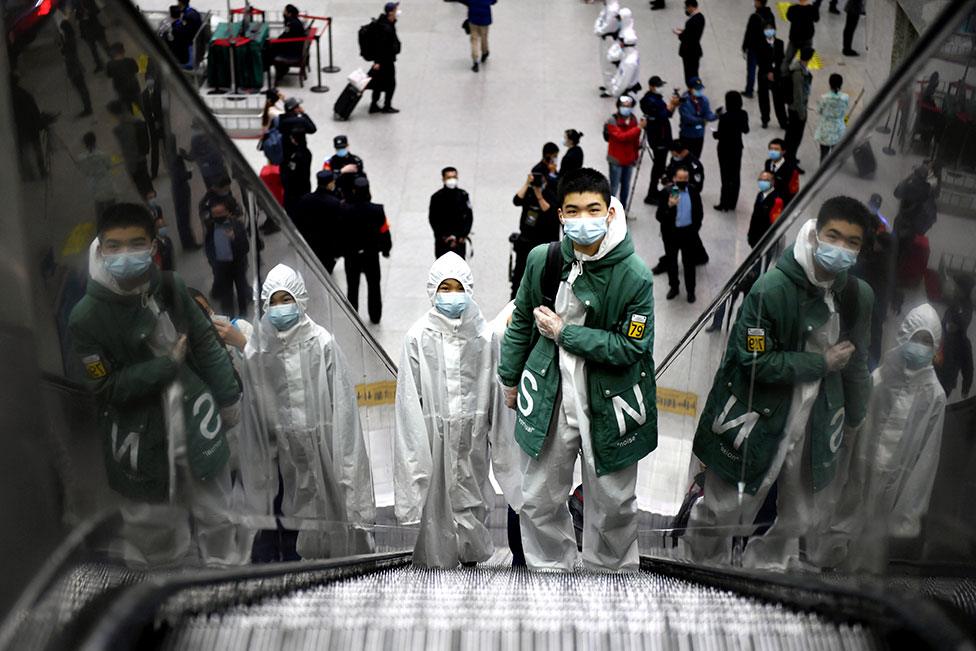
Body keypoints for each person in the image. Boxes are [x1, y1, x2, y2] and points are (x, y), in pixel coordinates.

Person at [687, 196, 874, 569]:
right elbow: (754, 360)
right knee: (726, 508)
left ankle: (763, 568)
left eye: (852, 242)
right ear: (817, 233)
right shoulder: (771, 289)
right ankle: (700, 568)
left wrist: (856, 419)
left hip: (818, 416)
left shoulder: (856, 296)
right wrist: (820, 362)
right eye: (833, 236)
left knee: (802, 515)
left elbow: (857, 363)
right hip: (758, 411)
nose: (841, 248)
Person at [498, 168, 657, 572]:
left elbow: (632, 346)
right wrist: (509, 378)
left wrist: (566, 334)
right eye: (573, 210)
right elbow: (520, 320)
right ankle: (549, 570)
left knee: (613, 500)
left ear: (609, 212)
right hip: (550, 393)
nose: (583, 219)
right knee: (539, 494)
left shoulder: (633, 274)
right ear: (561, 216)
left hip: (611, 400)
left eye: (593, 209)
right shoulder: (544, 260)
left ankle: (611, 573)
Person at [68, 203, 245, 566]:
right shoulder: (86, 317)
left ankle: (223, 583)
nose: (125, 254)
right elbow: (106, 388)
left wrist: (227, 398)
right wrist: (165, 367)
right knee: (158, 540)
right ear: (100, 249)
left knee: (219, 520)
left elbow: (206, 343)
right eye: (114, 246)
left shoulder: (169, 286)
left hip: (196, 426)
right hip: (141, 441)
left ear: (152, 247)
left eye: (136, 244)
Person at [241, 264, 375, 561]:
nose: (279, 308)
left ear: (300, 300)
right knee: (295, 524)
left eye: (285, 299)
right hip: (282, 460)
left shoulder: (322, 343)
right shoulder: (258, 351)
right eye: (273, 302)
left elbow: (343, 412)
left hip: (324, 450)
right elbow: (253, 414)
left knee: (332, 517)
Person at [818, 304, 946, 568]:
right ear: (904, 336)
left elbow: (926, 460)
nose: (920, 347)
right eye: (916, 338)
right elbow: (855, 428)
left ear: (935, 347)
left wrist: (907, 514)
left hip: (893, 487)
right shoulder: (880, 377)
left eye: (927, 341)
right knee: (837, 535)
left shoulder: (934, 395)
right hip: (858, 474)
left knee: (870, 553)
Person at [395, 253, 498, 567]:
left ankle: (471, 555)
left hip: (473, 435)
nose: (451, 295)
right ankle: (440, 560)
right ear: (432, 291)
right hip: (434, 437)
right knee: (437, 503)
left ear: (468, 289)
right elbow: (408, 403)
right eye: (444, 288)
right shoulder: (418, 337)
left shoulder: (485, 336)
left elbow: (497, 386)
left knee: (473, 493)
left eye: (457, 287)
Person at [510, 147, 560, 298]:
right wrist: (527, 184)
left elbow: (550, 212)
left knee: (539, 279)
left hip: (541, 243)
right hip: (525, 240)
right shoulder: (529, 192)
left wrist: (539, 195)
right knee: (518, 277)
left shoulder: (550, 195)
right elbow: (516, 200)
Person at [342, 176, 392, 324]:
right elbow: (384, 231)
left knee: (352, 286)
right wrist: (386, 249)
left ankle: (353, 317)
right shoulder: (377, 210)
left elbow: (341, 232)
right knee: (374, 285)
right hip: (371, 255)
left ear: (354, 191)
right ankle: (375, 315)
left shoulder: (345, 210)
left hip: (352, 256)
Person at [657, 168, 704, 303]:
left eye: (685, 179)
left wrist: (695, 229)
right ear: (674, 179)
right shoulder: (667, 193)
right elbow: (659, 216)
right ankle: (674, 287)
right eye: (680, 179)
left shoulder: (693, 192)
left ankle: (691, 291)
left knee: (689, 264)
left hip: (688, 234)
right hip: (671, 235)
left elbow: (699, 212)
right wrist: (669, 206)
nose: (682, 181)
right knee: (672, 263)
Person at [204, 197, 251, 318]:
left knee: (241, 291)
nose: (218, 217)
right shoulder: (210, 229)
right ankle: (229, 318)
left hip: (237, 265)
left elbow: (245, 247)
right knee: (226, 296)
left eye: (221, 213)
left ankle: (243, 315)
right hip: (221, 267)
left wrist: (234, 238)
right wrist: (213, 261)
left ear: (228, 213)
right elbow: (208, 247)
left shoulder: (237, 226)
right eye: (215, 214)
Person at [294, 170, 344, 273]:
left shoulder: (305, 199)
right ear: (330, 184)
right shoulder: (335, 203)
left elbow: (297, 222)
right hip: (327, 248)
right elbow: (339, 229)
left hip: (309, 245)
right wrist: (338, 252)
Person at [277, 97, 317, 218]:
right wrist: (303, 114)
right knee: (303, 182)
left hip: (286, 157)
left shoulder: (282, 120)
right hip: (301, 156)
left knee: (289, 185)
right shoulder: (300, 121)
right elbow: (312, 129)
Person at [108, 100, 154, 197]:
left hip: (135, 163)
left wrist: (131, 168)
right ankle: (155, 205)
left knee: (143, 189)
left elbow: (129, 149)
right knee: (148, 185)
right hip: (142, 158)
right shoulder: (135, 120)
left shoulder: (123, 128)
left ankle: (152, 207)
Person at [640, 76, 674, 205]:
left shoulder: (657, 99)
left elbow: (668, 114)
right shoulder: (649, 101)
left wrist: (671, 107)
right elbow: (663, 115)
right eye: (658, 86)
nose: (660, 88)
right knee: (658, 166)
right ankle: (651, 192)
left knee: (660, 165)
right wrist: (670, 106)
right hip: (658, 138)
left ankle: (654, 190)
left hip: (663, 136)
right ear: (651, 86)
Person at [714, 91, 750, 212]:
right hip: (737, 148)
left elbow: (719, 135)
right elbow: (746, 130)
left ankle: (724, 202)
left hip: (724, 149)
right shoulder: (743, 114)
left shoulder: (724, 117)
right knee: (735, 175)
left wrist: (714, 133)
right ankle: (733, 202)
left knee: (725, 176)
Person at [604, 95, 642, 208]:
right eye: (624, 106)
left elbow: (635, 140)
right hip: (616, 159)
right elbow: (621, 137)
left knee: (626, 187)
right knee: (614, 187)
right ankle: (610, 211)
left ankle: (623, 210)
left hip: (629, 159)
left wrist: (636, 156)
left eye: (629, 106)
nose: (626, 108)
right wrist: (638, 128)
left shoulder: (634, 120)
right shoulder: (612, 121)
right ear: (618, 106)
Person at [429, 167, 474, 259]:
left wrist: (463, 235)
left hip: (459, 242)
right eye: (449, 178)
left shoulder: (463, 195)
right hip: (443, 242)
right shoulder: (436, 197)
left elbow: (469, 217)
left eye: (454, 177)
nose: (452, 180)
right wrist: (444, 236)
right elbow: (433, 219)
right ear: (443, 179)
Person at [368, 2, 402, 114]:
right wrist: (378, 61)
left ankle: (374, 105)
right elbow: (381, 46)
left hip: (382, 60)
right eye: (396, 10)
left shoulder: (385, 23)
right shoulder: (385, 28)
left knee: (378, 82)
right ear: (390, 12)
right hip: (385, 61)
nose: (398, 12)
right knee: (391, 84)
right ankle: (387, 106)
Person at [935, 304, 973, 399]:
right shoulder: (938, 331)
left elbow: (968, 367)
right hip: (930, 375)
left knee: (938, 404)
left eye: (955, 324)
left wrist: (965, 388)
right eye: (949, 322)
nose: (951, 326)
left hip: (946, 382)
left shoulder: (963, 343)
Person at [785, 47, 814, 167]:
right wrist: (802, 113)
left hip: (796, 108)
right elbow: (798, 95)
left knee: (792, 136)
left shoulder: (800, 68)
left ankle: (790, 157)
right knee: (795, 137)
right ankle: (790, 161)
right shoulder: (798, 73)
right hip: (796, 109)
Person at [755, 21, 788, 130]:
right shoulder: (759, 43)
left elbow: (781, 59)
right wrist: (768, 72)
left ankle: (783, 121)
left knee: (779, 100)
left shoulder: (780, 43)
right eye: (767, 29)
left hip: (776, 76)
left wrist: (774, 72)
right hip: (764, 75)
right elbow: (760, 60)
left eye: (771, 28)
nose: (769, 31)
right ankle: (765, 119)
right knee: (763, 99)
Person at [677, 77, 718, 160]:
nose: (699, 91)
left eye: (700, 89)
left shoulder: (704, 100)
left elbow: (708, 114)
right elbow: (687, 118)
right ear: (690, 89)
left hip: (699, 135)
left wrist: (717, 115)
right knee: (685, 159)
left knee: (696, 159)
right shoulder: (684, 101)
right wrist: (702, 120)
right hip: (687, 135)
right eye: (696, 89)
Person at [742, 0, 776, 99]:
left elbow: (748, 33)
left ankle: (749, 91)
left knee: (751, 70)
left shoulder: (754, 17)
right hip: (765, 48)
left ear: (758, 2)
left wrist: (744, 46)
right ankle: (763, 89)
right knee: (763, 70)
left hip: (754, 48)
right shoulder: (770, 15)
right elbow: (772, 33)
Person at [79, 132, 117, 220]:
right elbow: (109, 165)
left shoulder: (82, 159)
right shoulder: (103, 155)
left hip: (95, 189)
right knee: (113, 213)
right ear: (95, 141)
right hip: (107, 187)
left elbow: (85, 171)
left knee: (100, 214)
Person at [59, 21, 93, 117]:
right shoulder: (71, 38)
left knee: (81, 89)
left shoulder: (68, 41)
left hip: (74, 68)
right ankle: (88, 107)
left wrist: (62, 45)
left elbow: (65, 52)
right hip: (76, 66)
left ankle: (88, 108)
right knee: (83, 88)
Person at [814, 73, 850, 163]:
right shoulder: (845, 97)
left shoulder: (824, 98)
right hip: (838, 129)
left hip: (825, 131)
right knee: (835, 153)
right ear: (841, 84)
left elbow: (819, 111)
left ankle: (822, 171)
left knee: (824, 154)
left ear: (829, 84)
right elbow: (845, 109)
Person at [747, 170, 785, 247]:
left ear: (773, 182)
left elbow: (774, 224)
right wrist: (750, 233)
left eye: (766, 180)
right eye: (760, 180)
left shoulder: (777, 201)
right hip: (755, 237)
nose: (762, 182)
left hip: (765, 241)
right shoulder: (760, 195)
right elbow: (754, 216)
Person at [608, 10, 640, 98]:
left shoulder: (629, 61)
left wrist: (616, 91)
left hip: (626, 95)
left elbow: (624, 81)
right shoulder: (628, 55)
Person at [271, 4, 307, 82]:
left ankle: (280, 70)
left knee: (271, 49)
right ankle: (282, 69)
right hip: (296, 46)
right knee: (273, 45)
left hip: (293, 50)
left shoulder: (291, 23)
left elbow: (286, 36)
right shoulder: (294, 20)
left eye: (285, 11)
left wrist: (275, 41)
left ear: (289, 14)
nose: (283, 13)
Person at [783, 0, 820, 74]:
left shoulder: (792, 8)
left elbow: (789, 17)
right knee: (804, 60)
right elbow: (816, 19)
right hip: (807, 38)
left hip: (794, 39)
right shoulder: (812, 9)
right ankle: (802, 76)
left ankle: (782, 76)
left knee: (787, 59)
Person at [323, 135, 365, 199]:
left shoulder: (355, 161)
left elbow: (361, 179)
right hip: (336, 194)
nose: (340, 150)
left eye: (342, 147)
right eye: (338, 148)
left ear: (347, 146)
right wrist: (342, 171)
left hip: (352, 194)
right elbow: (327, 178)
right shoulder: (331, 161)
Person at [105, 42, 142, 114]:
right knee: (139, 101)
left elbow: (109, 75)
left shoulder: (110, 65)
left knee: (127, 103)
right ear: (123, 52)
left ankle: (132, 113)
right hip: (133, 86)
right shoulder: (130, 60)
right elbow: (136, 70)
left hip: (120, 88)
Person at [594, 0, 621, 95]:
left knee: (608, 64)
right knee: (604, 62)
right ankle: (608, 85)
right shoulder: (608, 5)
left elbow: (609, 26)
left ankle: (611, 89)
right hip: (606, 37)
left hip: (609, 39)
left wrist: (599, 31)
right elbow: (601, 18)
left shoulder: (613, 9)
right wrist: (598, 28)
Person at [675, 0, 705, 85]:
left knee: (689, 74)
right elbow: (693, 33)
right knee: (694, 73)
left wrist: (680, 34)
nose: (686, 10)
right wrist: (685, 31)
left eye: (686, 7)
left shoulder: (691, 22)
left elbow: (687, 38)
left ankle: (692, 90)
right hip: (696, 51)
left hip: (689, 52)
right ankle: (696, 88)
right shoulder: (701, 18)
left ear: (691, 7)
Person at [78, 0, 111, 72]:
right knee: (93, 50)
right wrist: (82, 16)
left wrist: (89, 13)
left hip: (96, 27)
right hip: (86, 31)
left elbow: (97, 11)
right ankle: (99, 65)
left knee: (105, 46)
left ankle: (113, 61)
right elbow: (77, 16)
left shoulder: (90, 1)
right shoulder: (76, 3)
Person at [764, 138, 799, 206]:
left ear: (783, 151)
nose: (773, 152)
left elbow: (792, 190)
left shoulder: (789, 168)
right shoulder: (768, 163)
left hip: (781, 202)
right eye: (771, 149)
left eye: (776, 149)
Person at [466, 0, 495, 72]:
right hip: (485, 19)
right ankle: (485, 53)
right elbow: (493, 1)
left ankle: (475, 61)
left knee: (474, 39)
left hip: (473, 18)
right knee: (484, 37)